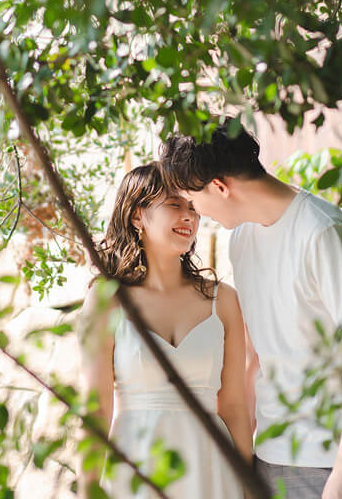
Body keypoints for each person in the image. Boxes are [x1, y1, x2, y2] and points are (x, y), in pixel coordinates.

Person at [159, 120, 342, 499]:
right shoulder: (242, 238)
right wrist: (244, 456)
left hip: (332, 461)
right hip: (270, 454)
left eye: (194, 202)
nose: (197, 215)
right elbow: (255, 356)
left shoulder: (322, 231)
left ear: (219, 187)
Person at [78, 163, 252, 499]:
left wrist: (250, 488)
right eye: (175, 205)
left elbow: (233, 406)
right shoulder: (106, 301)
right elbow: (97, 409)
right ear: (136, 216)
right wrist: (87, 490)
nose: (189, 217)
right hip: (136, 467)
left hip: (212, 469)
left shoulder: (224, 300)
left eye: (193, 207)